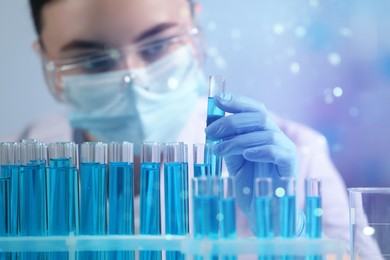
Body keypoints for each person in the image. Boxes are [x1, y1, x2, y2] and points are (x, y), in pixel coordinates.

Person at [7, 0, 351, 256]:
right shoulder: (17, 167)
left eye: (157, 45)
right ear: (46, 57)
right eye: (93, 59)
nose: (133, 80)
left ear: (194, 28)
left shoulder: (294, 154)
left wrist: (283, 230)